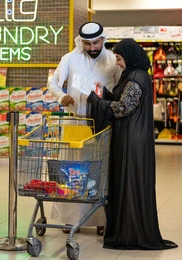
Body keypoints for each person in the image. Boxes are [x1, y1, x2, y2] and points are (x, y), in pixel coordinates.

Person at [86, 38, 178, 250]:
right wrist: (104, 94)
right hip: (131, 137)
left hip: (131, 142)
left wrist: (97, 101)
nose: (117, 63)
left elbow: (123, 108)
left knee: (129, 182)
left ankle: (129, 234)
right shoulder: (135, 75)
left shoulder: (136, 77)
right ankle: (129, 229)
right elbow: (121, 100)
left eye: (119, 58)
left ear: (129, 57)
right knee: (129, 183)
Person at [48, 21, 122, 235]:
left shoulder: (111, 60)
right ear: (81, 42)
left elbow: (119, 90)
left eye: (96, 43)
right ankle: (71, 219)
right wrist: (62, 96)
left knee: (100, 169)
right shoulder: (69, 59)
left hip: (101, 124)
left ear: (103, 40)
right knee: (71, 170)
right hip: (74, 121)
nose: (92, 48)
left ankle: (101, 219)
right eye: (87, 44)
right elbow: (53, 84)